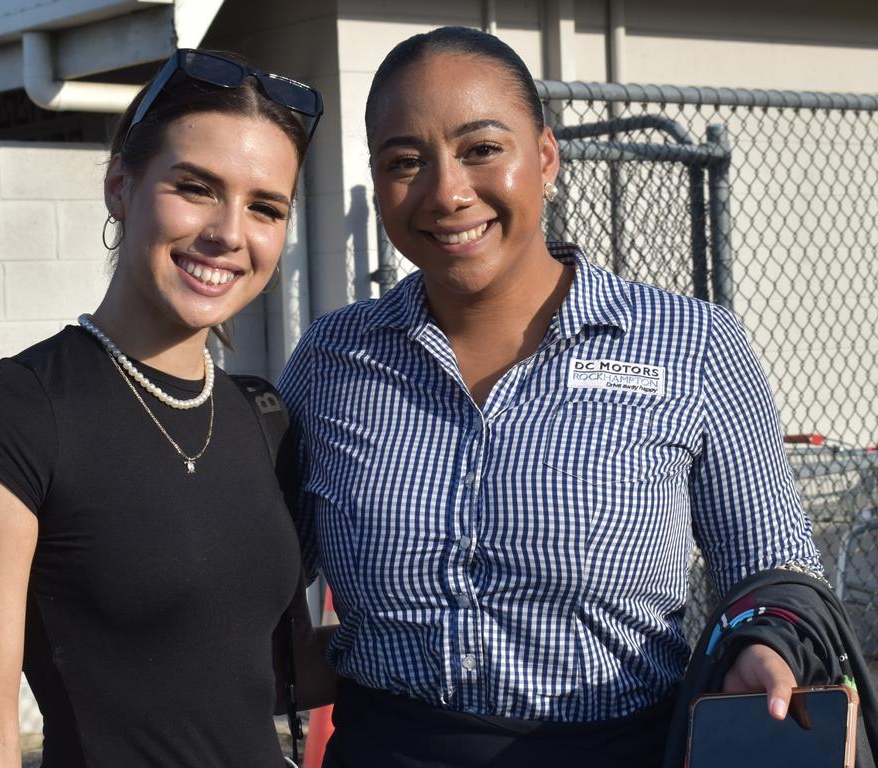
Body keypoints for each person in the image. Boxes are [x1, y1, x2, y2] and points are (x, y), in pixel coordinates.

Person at [277, 26, 824, 767]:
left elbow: (774, 566)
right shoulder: (334, 360)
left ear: (546, 158)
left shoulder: (691, 344)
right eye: (406, 161)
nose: (447, 192)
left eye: (481, 149)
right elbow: (251, 577)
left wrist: (768, 643)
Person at [0, 49, 331, 768]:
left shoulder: (258, 414)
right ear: (121, 185)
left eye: (265, 207)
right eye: (196, 187)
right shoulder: (12, 415)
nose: (230, 233)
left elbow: (235, 669)